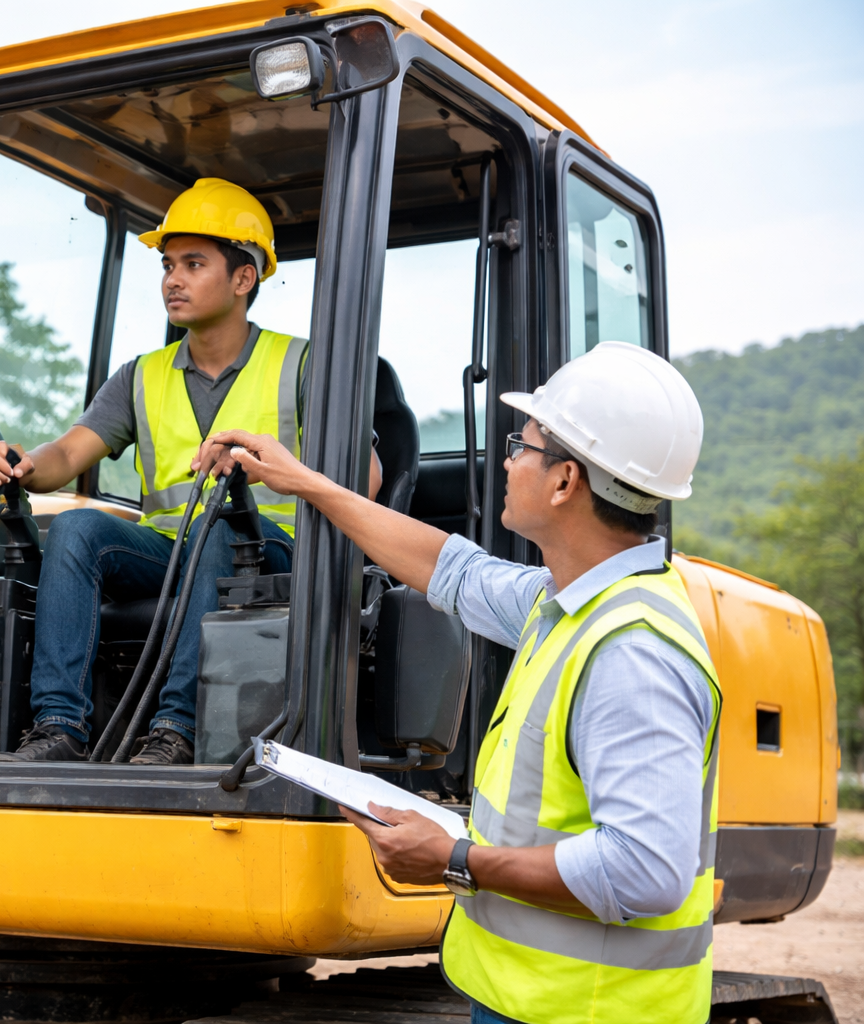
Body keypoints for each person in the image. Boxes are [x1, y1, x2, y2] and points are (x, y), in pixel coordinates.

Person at [201, 341, 719, 1024]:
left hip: (588, 1011)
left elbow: (642, 872)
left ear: (565, 481)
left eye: (521, 445)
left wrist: (455, 858)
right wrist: (307, 484)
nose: (506, 460)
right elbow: (456, 570)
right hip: (527, 998)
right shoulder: (564, 603)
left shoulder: (632, 652)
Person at [0, 178, 380, 765]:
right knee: (74, 530)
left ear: (244, 279)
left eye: (194, 263)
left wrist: (262, 469)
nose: (173, 278)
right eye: (168, 264)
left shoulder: (304, 363)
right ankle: (58, 728)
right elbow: (67, 455)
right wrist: (22, 464)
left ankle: (176, 729)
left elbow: (363, 477)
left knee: (219, 527)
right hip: (172, 554)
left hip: (275, 551)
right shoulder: (141, 374)